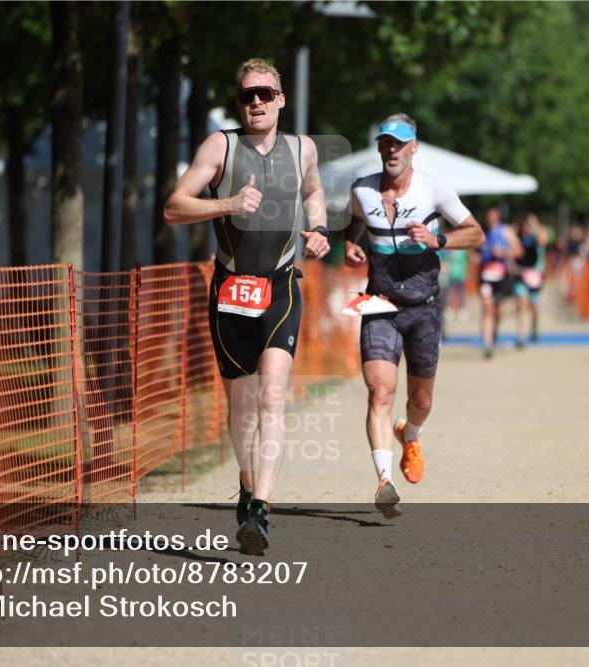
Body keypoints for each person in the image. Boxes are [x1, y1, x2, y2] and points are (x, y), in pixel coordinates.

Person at [163, 58, 329, 555]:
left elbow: (315, 190)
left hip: (280, 286)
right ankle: (247, 476)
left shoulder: (303, 148)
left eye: (264, 93)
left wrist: (318, 229)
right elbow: (174, 207)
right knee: (242, 406)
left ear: (280, 98)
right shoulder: (221, 146)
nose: (255, 102)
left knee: (273, 397)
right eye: (246, 96)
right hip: (231, 290)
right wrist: (227, 205)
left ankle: (259, 508)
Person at [343, 113, 484, 516]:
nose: (392, 149)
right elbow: (351, 226)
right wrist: (350, 248)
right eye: (386, 142)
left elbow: (476, 234)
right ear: (379, 148)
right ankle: (384, 481)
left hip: (424, 308)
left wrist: (438, 239)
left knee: (420, 399)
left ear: (414, 148)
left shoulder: (434, 190)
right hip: (380, 305)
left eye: (399, 143)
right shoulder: (362, 190)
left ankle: (412, 434)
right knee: (380, 391)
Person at [478, 205, 521, 358]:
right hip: (485, 276)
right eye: (488, 217)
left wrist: (503, 253)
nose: (490, 219)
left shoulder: (505, 231)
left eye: (493, 216)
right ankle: (487, 345)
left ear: (498, 217)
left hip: (501, 275)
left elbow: (519, 250)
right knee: (487, 307)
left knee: (497, 311)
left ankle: (494, 332)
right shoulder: (481, 233)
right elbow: (473, 251)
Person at [512, 212, 547, 345]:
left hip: (535, 275)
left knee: (534, 306)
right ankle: (521, 336)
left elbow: (543, 240)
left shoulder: (536, 236)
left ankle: (534, 326)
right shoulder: (517, 236)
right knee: (521, 304)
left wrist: (535, 224)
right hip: (521, 274)